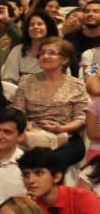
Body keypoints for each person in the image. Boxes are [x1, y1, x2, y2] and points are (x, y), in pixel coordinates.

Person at [10, 37, 88, 172]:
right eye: (42, 53)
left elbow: (81, 118)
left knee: (49, 163)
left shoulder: (77, 85)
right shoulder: (27, 81)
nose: (45, 56)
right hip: (32, 134)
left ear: (64, 60)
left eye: (51, 53)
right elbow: (17, 111)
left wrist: (62, 128)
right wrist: (25, 123)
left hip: (67, 136)